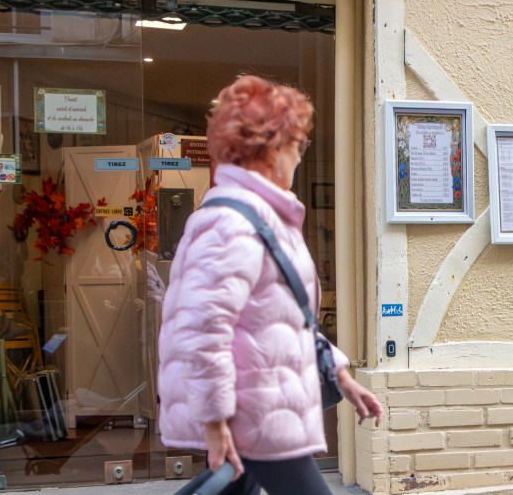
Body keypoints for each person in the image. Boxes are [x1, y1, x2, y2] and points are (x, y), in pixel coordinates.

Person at [157, 75, 383, 495]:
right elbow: (203, 329)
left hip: (264, 405)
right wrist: (214, 421)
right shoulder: (231, 223)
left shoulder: (265, 218)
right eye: (297, 145)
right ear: (268, 148)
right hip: (254, 408)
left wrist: (341, 376)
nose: (299, 157)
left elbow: (283, 318)